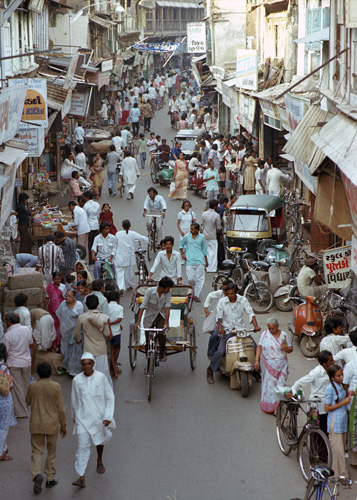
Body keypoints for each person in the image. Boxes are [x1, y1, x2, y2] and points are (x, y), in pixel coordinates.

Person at [71, 353, 115, 488]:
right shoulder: (77, 380)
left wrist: (108, 417)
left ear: (93, 364)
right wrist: (74, 418)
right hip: (82, 419)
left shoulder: (101, 378)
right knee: (82, 447)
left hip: (99, 418)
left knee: (99, 440)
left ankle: (99, 460)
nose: (86, 367)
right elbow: (74, 400)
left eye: (89, 364)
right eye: (84, 364)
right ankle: (81, 476)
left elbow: (110, 398)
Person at [25, 362, 67, 494]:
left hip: (36, 424)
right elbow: (61, 409)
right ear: (50, 373)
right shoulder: (56, 387)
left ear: (38, 373)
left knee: (37, 451)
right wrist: (63, 425)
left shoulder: (33, 386)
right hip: (52, 425)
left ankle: (37, 474)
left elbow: (27, 401)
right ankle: (50, 478)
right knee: (51, 452)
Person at [207, 283, 260, 384]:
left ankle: (256, 372)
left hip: (241, 330)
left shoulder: (243, 300)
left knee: (255, 348)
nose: (230, 296)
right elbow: (218, 318)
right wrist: (221, 328)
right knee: (220, 351)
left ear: (236, 292)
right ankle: (210, 370)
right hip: (228, 331)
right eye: (228, 294)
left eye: (232, 293)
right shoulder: (222, 302)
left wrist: (255, 326)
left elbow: (251, 314)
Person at [286, 350, 334, 436]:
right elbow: (302, 381)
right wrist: (293, 390)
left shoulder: (331, 370)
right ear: (324, 363)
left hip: (327, 405)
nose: (333, 361)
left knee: (325, 429)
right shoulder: (317, 372)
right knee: (316, 430)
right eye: (330, 360)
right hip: (316, 405)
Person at [254, 317, 292, 413]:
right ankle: (271, 407)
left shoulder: (284, 335)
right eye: (269, 328)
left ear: (277, 326)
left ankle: (279, 405)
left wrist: (286, 348)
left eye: (273, 329)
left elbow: (290, 349)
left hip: (282, 365)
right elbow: (259, 347)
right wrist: (256, 360)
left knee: (280, 386)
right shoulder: (265, 334)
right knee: (270, 386)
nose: (271, 331)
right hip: (269, 366)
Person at [74, 295, 112, 384]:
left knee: (89, 373)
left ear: (86, 304)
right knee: (103, 372)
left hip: (88, 349)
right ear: (98, 304)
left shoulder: (82, 317)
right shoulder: (104, 317)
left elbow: (76, 333)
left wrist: (78, 339)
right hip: (101, 349)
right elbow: (108, 334)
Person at [134, 277, 174, 362]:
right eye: (167, 288)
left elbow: (167, 307)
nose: (169, 289)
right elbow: (143, 306)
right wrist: (138, 322)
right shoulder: (150, 291)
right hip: (149, 316)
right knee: (148, 341)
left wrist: (167, 322)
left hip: (161, 316)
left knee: (161, 334)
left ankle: (162, 354)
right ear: (162, 287)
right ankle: (148, 363)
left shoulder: (168, 292)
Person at [4, 313, 33, 418]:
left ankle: (22, 412)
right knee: (25, 385)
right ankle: (26, 406)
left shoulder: (8, 335)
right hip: (26, 361)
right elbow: (30, 343)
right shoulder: (26, 329)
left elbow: (6, 351)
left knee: (17, 388)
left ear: (9, 322)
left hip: (14, 363)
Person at [325, 364, 350, 477]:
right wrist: (343, 402)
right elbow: (327, 408)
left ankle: (342, 473)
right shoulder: (330, 388)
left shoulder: (340, 386)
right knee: (337, 450)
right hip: (335, 421)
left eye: (342, 374)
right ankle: (338, 474)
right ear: (332, 377)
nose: (341, 377)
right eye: (338, 376)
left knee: (341, 449)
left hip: (342, 421)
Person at [114, 219, 149, 294]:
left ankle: (121, 287)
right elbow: (142, 238)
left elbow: (115, 244)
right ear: (130, 226)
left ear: (122, 226)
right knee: (128, 272)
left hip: (119, 256)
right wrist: (150, 240)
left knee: (120, 272)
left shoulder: (118, 234)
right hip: (128, 257)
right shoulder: (132, 233)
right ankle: (129, 285)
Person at [56, 290, 84, 377]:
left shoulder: (79, 305)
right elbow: (61, 318)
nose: (67, 298)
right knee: (65, 351)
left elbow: (81, 319)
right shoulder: (63, 305)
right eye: (66, 296)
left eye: (69, 296)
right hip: (65, 332)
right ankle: (67, 368)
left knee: (75, 353)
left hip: (75, 333)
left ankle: (74, 371)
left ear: (74, 297)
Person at [179, 223, 208, 302]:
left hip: (200, 260)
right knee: (190, 278)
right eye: (190, 228)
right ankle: (192, 290)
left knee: (200, 279)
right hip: (189, 260)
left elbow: (204, 249)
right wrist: (182, 254)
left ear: (197, 230)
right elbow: (181, 244)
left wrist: (206, 261)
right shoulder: (187, 236)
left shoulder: (202, 237)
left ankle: (196, 295)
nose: (191, 230)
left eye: (192, 229)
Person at [203, 281, 230, 358]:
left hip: (232, 322)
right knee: (214, 336)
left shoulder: (237, 298)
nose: (224, 292)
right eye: (223, 289)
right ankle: (210, 353)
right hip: (220, 321)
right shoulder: (221, 296)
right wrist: (206, 308)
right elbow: (210, 295)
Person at [0, 343, 16, 462]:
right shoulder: (4, 368)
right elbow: (10, 386)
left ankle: (4, 449)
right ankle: (1, 451)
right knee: (3, 427)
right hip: (4, 401)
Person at [45, 272, 65, 349]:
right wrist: (45, 308)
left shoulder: (63, 287)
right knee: (53, 326)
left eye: (59, 279)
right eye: (56, 279)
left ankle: (59, 343)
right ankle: (53, 344)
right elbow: (47, 298)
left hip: (61, 309)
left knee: (60, 326)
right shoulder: (50, 287)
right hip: (52, 310)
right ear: (53, 279)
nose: (57, 280)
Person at [201, 199, 222, 273]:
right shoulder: (217, 215)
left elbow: (202, 225)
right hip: (213, 236)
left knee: (205, 251)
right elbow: (219, 227)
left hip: (205, 235)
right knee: (213, 252)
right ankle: (212, 268)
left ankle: (205, 266)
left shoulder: (204, 214)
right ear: (215, 206)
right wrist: (221, 235)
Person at [107, 291, 123, 378]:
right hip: (116, 331)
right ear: (117, 299)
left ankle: (112, 367)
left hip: (109, 331)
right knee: (117, 347)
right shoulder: (119, 307)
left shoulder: (107, 307)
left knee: (111, 349)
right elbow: (120, 319)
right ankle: (113, 367)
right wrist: (112, 323)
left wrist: (109, 323)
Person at [82, 191, 101, 264]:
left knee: (89, 244)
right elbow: (98, 215)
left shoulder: (86, 206)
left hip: (89, 226)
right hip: (96, 225)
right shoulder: (97, 204)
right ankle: (96, 257)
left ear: (87, 198)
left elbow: (85, 217)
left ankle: (90, 259)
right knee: (95, 243)